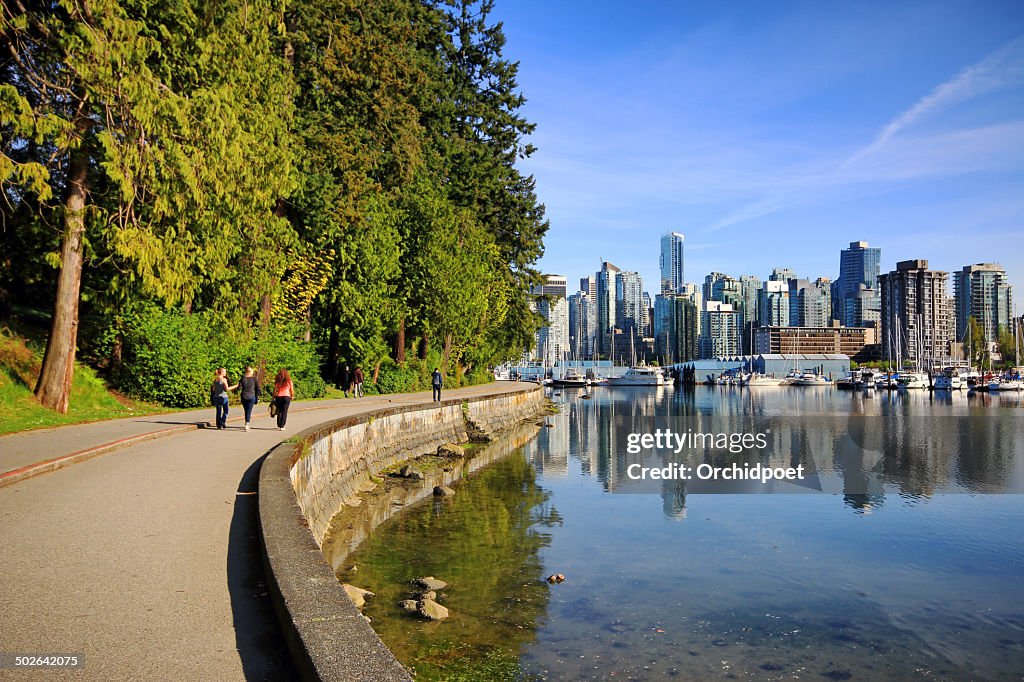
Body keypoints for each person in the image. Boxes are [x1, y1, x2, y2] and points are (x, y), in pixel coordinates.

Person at [237, 366, 258, 431]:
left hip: (244, 396)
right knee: (249, 410)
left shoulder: (242, 379)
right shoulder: (254, 379)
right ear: (250, 372)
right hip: (251, 396)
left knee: (246, 410)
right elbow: (258, 388)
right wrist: (258, 394)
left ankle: (247, 422)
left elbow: (239, 388)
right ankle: (247, 424)